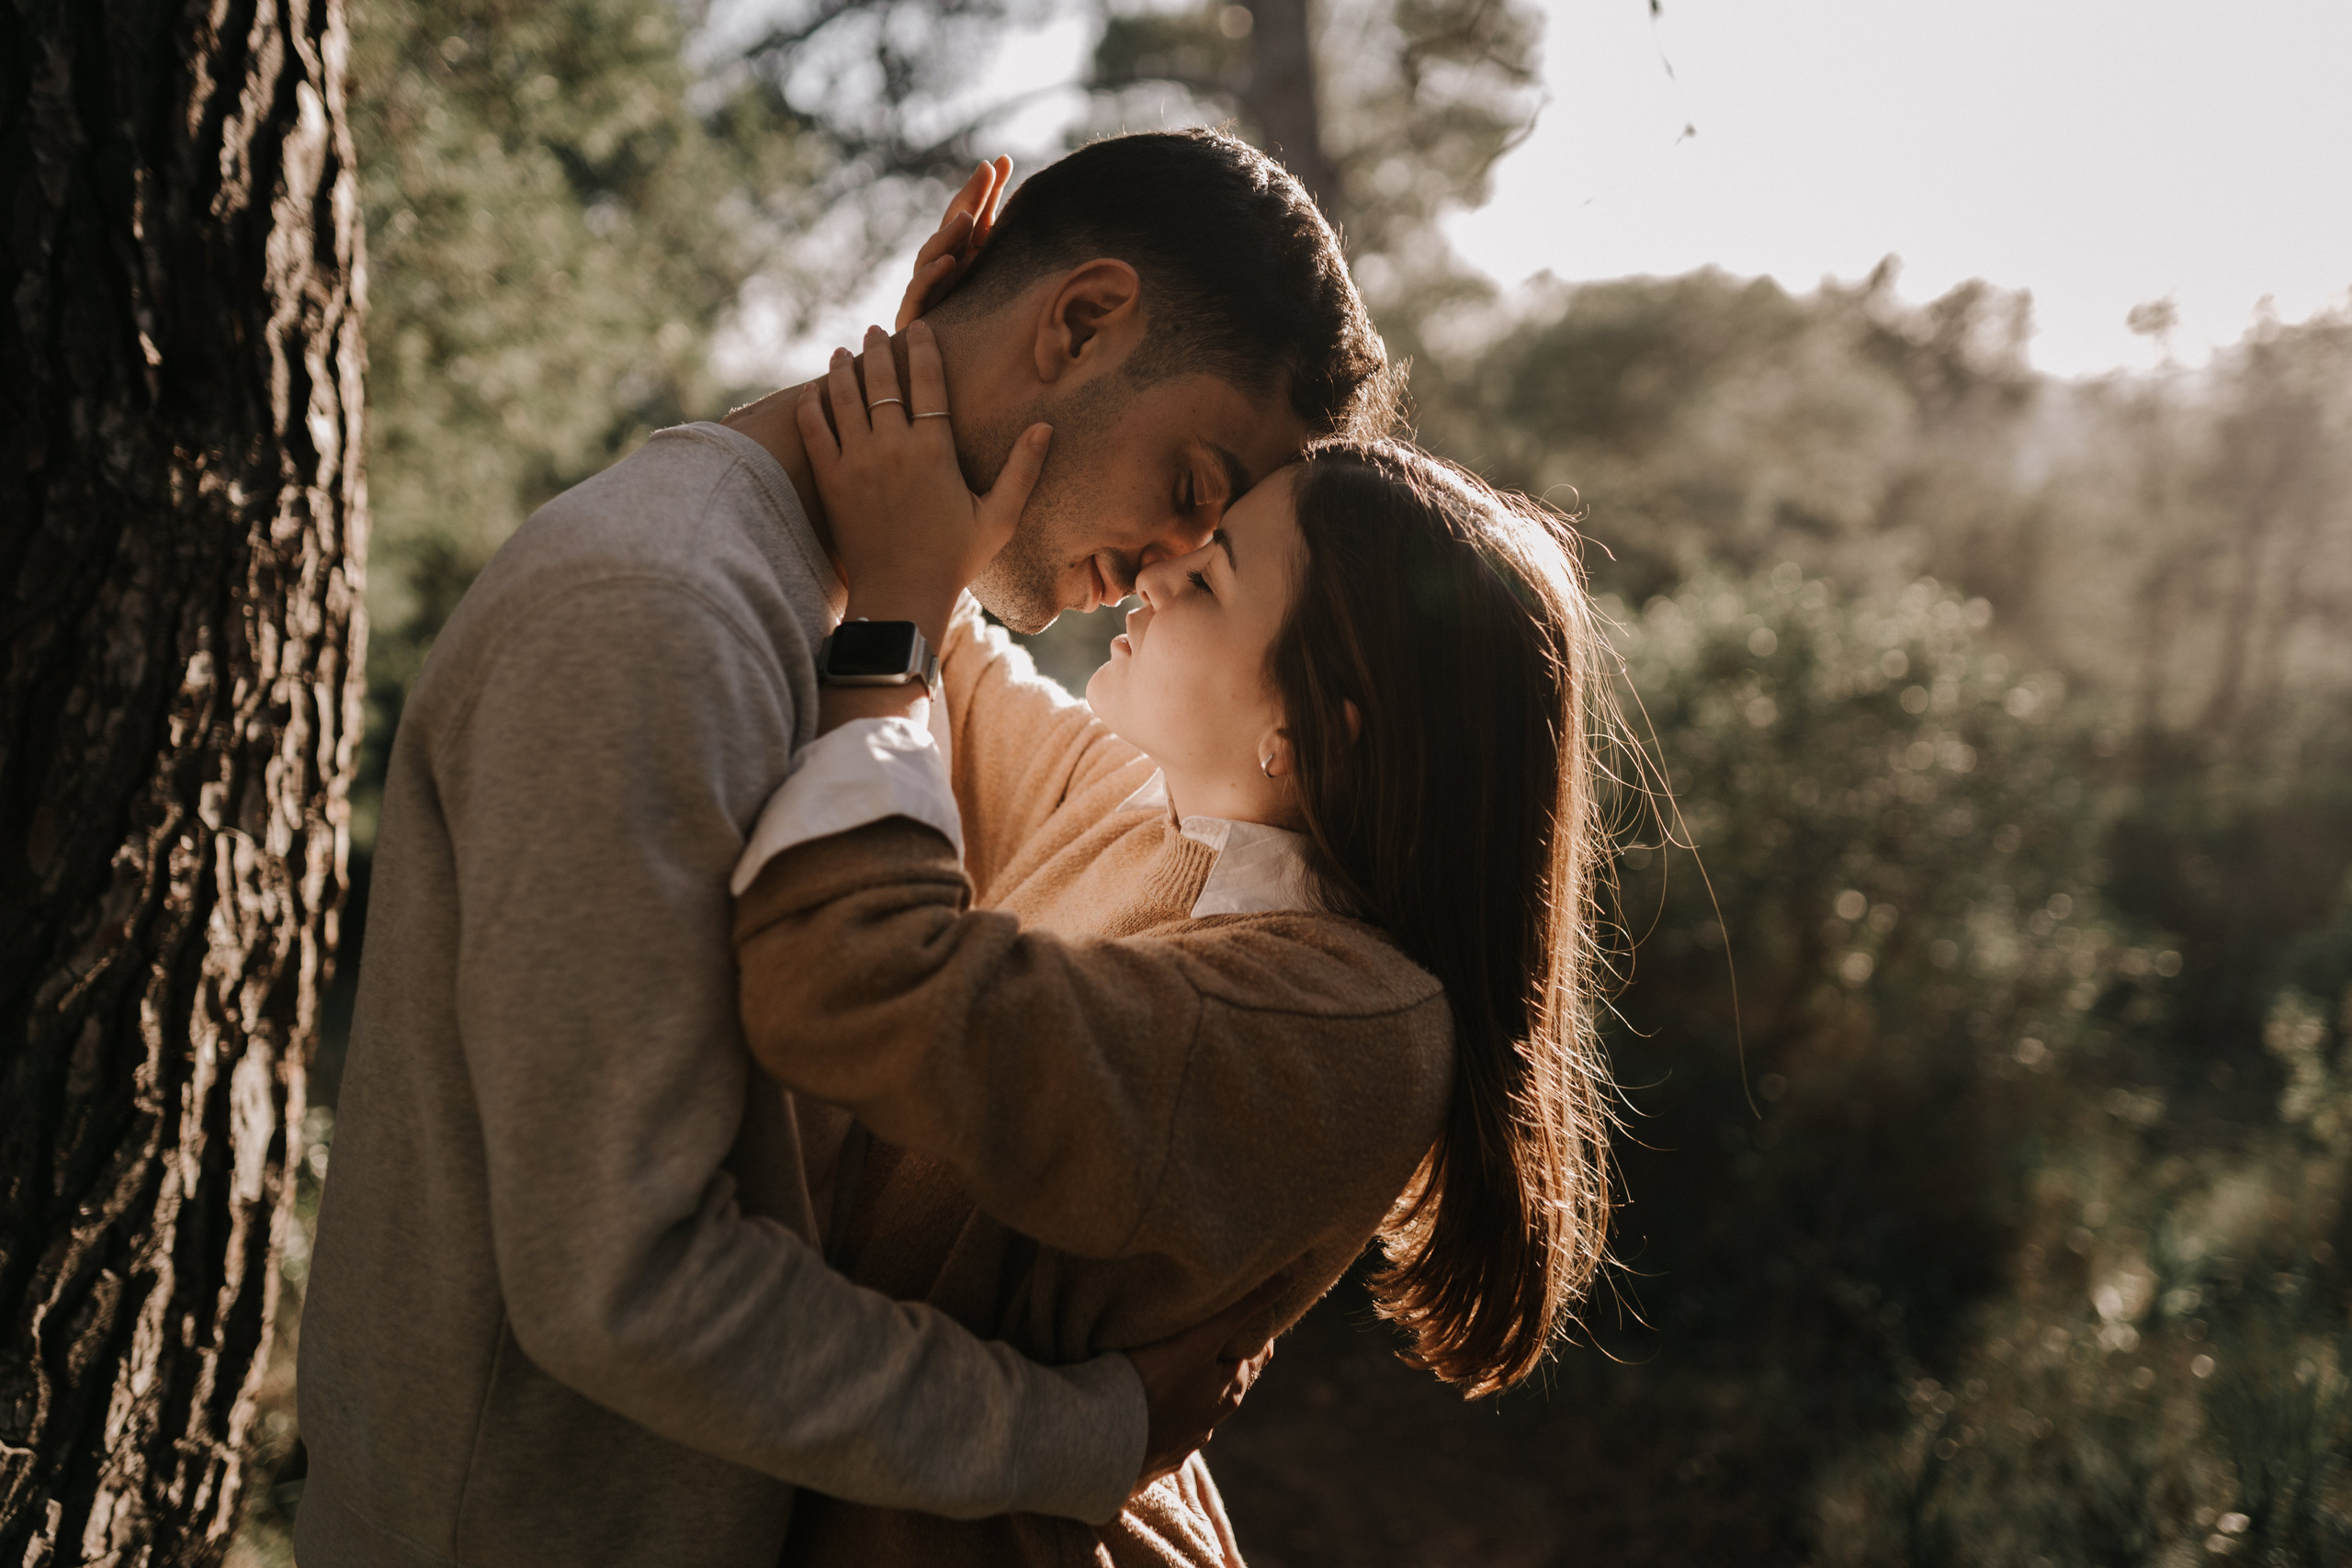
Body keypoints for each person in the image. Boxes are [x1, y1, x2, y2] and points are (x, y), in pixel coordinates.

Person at [295, 130, 1385, 1568]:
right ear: (1078, 322)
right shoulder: (652, 614)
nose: (1175, 563)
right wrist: (1083, 1439)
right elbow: (622, 1279)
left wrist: (927, 401)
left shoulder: (867, 614)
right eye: (1194, 483)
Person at [727, 329, 1618, 1563]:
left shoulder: (1340, 1023)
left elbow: (849, 987)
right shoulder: (1145, 814)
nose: (1155, 574)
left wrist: (890, 619)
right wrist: (953, 357)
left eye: (1209, 578)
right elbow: (942, 615)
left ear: (1311, 730)